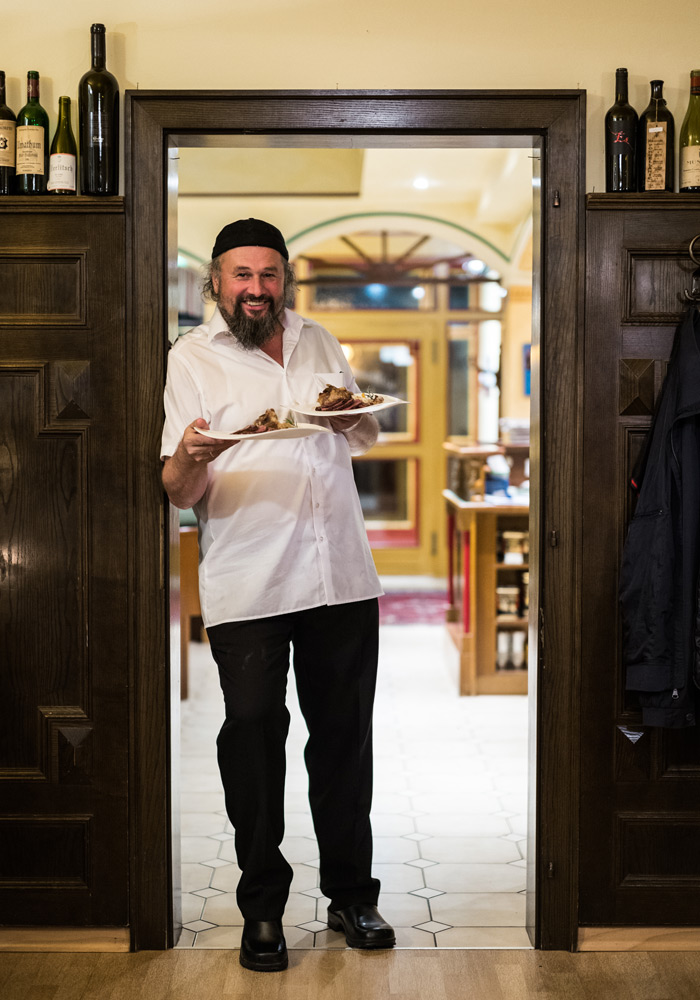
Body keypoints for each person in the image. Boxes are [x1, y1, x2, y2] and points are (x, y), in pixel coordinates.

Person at [161, 218, 395, 972]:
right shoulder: (192, 358)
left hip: (341, 579)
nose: (256, 288)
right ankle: (263, 908)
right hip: (250, 580)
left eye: (268, 274)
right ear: (217, 282)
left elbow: (354, 431)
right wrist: (191, 456)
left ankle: (353, 894)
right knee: (254, 738)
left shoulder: (319, 340)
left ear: (283, 279)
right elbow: (179, 486)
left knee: (343, 741)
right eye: (241, 275)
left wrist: (351, 413)